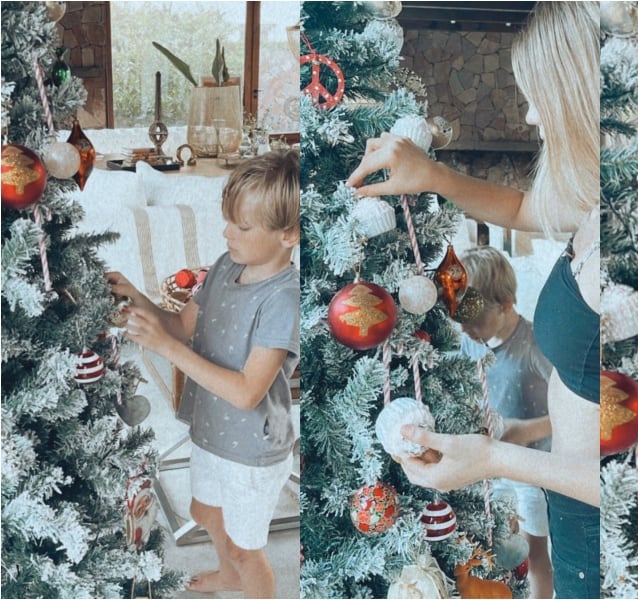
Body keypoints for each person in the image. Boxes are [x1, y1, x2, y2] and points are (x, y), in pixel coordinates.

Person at [347, 3, 601, 596]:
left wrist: (492, 458)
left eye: (541, 96)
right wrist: (430, 174)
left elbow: (625, 479)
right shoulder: (591, 209)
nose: (534, 117)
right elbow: (518, 209)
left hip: (596, 526)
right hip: (570, 511)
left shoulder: (630, 243)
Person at [106, 150, 300, 599]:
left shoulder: (282, 301)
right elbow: (180, 327)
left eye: (242, 226)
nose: (226, 232)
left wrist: (168, 348)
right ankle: (228, 575)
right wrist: (135, 294)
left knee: (244, 548)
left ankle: (244, 578)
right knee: (206, 512)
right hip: (210, 431)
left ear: (287, 234)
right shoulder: (226, 267)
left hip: (251, 451)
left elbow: (249, 393)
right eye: (227, 219)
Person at [457, 245, 554, 599]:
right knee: (493, 553)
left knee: (534, 557)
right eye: (460, 318)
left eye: (475, 318)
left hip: (531, 474)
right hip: (489, 470)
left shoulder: (536, 345)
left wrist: (527, 430)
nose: (465, 328)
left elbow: (575, 412)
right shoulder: (470, 346)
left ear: (506, 304)